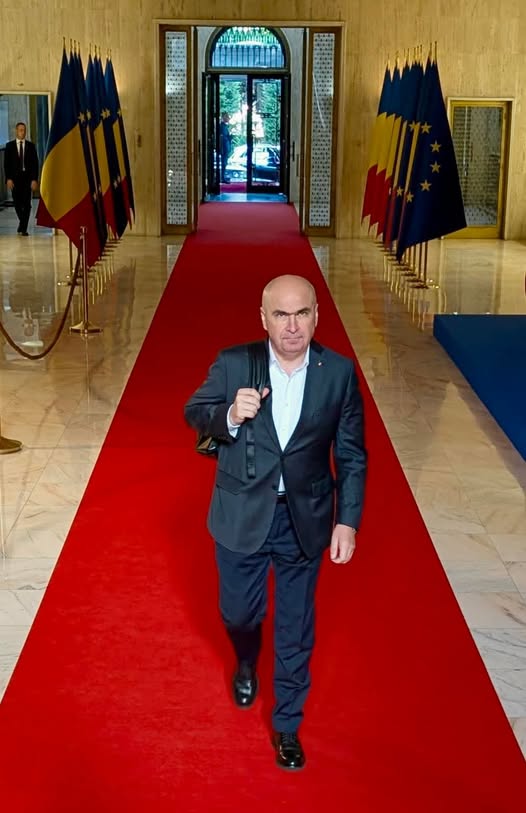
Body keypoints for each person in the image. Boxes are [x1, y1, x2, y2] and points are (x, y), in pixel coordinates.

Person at [184, 274, 367, 770]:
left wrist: (347, 521)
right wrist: (228, 415)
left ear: (316, 316)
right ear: (263, 318)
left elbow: (352, 454)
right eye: (281, 315)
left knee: (295, 625)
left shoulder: (339, 373)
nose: (292, 326)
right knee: (239, 615)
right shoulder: (234, 362)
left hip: (304, 518)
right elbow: (194, 412)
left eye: (301, 313)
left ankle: (288, 724)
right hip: (241, 513)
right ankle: (246, 659)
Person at [3, 122, 39, 236]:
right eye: (21, 130)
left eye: (24, 130)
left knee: (27, 204)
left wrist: (34, 179)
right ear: (16, 131)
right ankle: (22, 224)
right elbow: (6, 164)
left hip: (27, 179)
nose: (23, 132)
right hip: (15, 179)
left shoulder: (31, 146)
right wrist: (8, 179)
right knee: (17, 203)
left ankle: (23, 228)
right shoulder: (9, 146)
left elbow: (35, 164)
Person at [219, 112, 232, 184]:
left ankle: (222, 177)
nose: (228, 118)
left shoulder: (225, 126)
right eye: (227, 116)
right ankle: (222, 177)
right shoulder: (222, 126)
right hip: (224, 147)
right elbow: (223, 138)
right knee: (224, 162)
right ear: (223, 117)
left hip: (225, 147)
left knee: (224, 162)